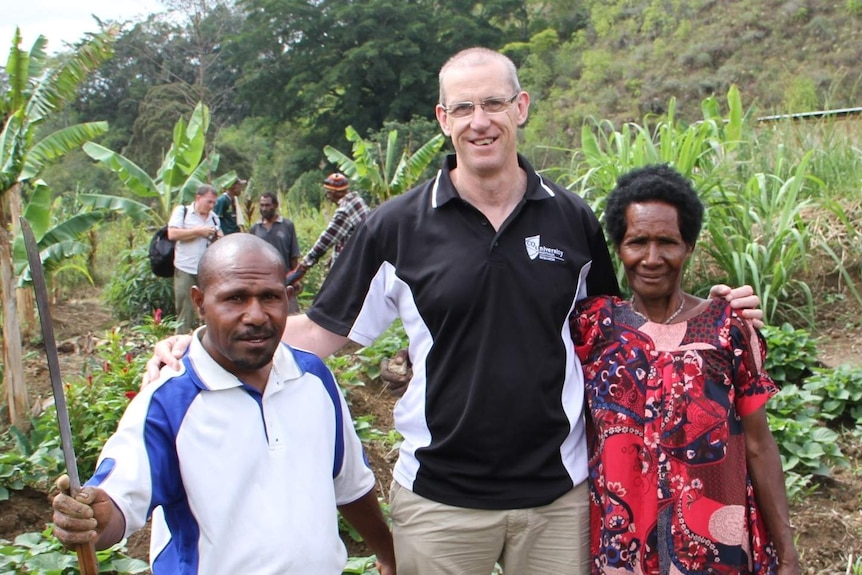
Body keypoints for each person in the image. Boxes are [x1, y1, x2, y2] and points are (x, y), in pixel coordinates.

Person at [146, 48, 760, 575]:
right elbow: (321, 333)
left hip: (558, 494)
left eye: (493, 104)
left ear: (520, 108)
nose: (480, 121)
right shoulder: (395, 227)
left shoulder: (570, 219)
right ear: (443, 120)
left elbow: (619, 325)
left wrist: (712, 311)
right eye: (463, 108)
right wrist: (201, 345)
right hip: (439, 499)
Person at [51, 234, 396, 575]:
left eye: (270, 297)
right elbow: (117, 502)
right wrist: (93, 519)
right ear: (200, 302)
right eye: (235, 299)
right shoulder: (169, 402)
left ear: (288, 298)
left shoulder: (313, 378)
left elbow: (350, 484)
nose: (256, 315)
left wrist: (388, 554)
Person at [572, 165, 800, 574]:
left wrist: (788, 552)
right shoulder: (593, 327)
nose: (652, 258)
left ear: (689, 246)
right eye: (637, 242)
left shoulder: (727, 327)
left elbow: (759, 444)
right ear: (618, 247)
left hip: (715, 549)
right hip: (623, 548)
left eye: (668, 242)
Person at [289, 172, 370, 282]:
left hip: (353, 267)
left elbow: (327, 239)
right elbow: (350, 234)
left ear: (334, 193)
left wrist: (305, 263)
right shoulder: (357, 200)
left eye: (328, 192)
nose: (327, 196)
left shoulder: (344, 210)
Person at [167, 184, 222, 334]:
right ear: (198, 198)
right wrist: (198, 231)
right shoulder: (182, 212)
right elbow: (172, 234)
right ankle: (181, 342)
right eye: (208, 202)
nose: (211, 206)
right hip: (185, 268)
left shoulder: (214, 219)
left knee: (207, 309)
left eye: (213, 203)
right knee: (185, 310)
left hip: (206, 271)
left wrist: (219, 238)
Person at [249, 191, 302, 313]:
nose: (264, 208)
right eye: (262, 205)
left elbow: (293, 255)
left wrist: (296, 278)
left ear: (275, 205)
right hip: (262, 278)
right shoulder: (255, 228)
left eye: (267, 205)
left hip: (285, 278)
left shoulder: (287, 225)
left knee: (291, 313)